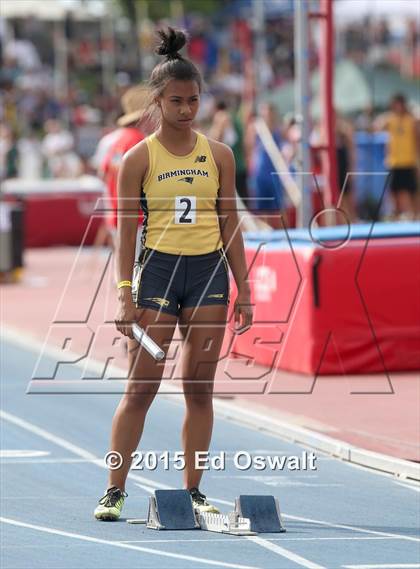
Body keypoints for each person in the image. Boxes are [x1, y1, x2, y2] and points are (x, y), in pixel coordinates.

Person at [94, 27, 253, 521]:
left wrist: (244, 290)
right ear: (157, 102)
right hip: (159, 274)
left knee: (198, 388)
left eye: (194, 100)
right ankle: (114, 489)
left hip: (207, 274)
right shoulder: (138, 158)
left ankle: (194, 491)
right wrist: (124, 294)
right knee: (141, 387)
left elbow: (231, 224)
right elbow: (125, 232)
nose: (187, 109)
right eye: (177, 101)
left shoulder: (219, 155)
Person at [375, 94, 419, 219]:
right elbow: (376, 126)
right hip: (393, 161)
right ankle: (399, 214)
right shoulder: (390, 119)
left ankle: (414, 215)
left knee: (411, 191)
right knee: (394, 191)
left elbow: (417, 138)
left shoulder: (411, 120)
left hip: (409, 161)